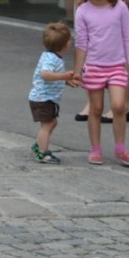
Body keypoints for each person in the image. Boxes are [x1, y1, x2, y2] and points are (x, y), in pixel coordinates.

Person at [72, 0, 129, 167]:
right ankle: (95, 149)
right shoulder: (82, 10)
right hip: (93, 66)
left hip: (117, 66)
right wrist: (77, 70)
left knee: (119, 106)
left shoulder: (119, 7)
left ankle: (121, 148)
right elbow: (81, 43)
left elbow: (128, 37)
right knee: (96, 108)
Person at [29, 22, 76, 164]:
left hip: (44, 98)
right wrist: (63, 77)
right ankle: (42, 153)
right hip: (43, 99)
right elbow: (45, 74)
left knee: (51, 123)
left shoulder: (50, 56)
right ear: (67, 44)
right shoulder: (51, 59)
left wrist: (65, 80)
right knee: (47, 125)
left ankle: (38, 146)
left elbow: (52, 75)